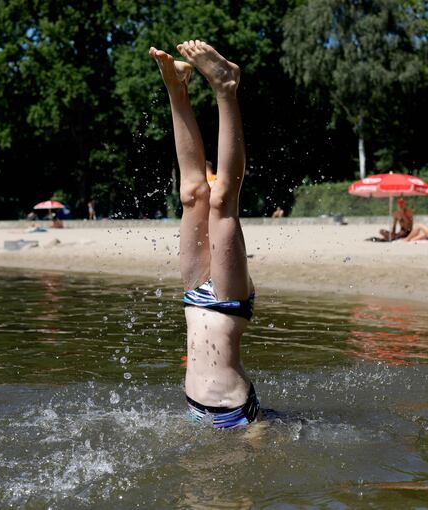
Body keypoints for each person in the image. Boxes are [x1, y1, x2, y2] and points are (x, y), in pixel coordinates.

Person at [150, 40, 260, 428]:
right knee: (193, 193)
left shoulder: (221, 187)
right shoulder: (203, 185)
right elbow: (197, 184)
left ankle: (225, 88)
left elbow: (222, 190)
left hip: (235, 415)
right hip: (197, 409)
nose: (210, 177)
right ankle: (177, 88)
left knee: (221, 200)